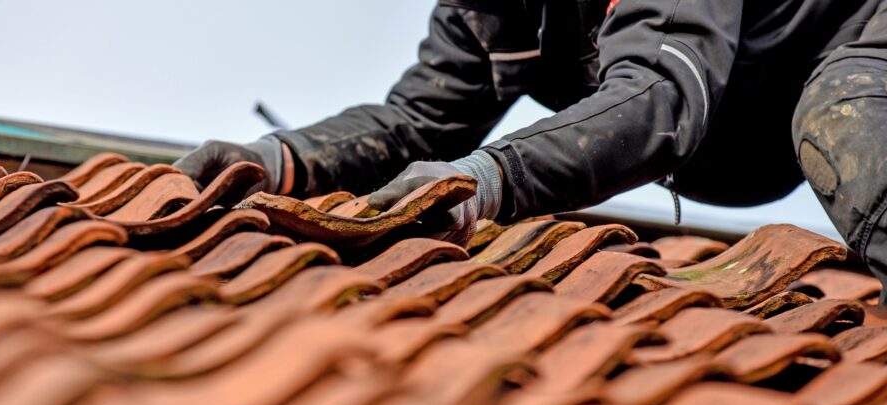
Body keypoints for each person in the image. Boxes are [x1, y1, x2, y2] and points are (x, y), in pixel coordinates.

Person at [175, 0, 887, 295]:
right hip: (757, 126)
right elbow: (419, 121)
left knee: (843, 113)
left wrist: (487, 180)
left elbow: (661, 99)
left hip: (865, 45)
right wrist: (270, 160)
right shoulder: (487, 9)